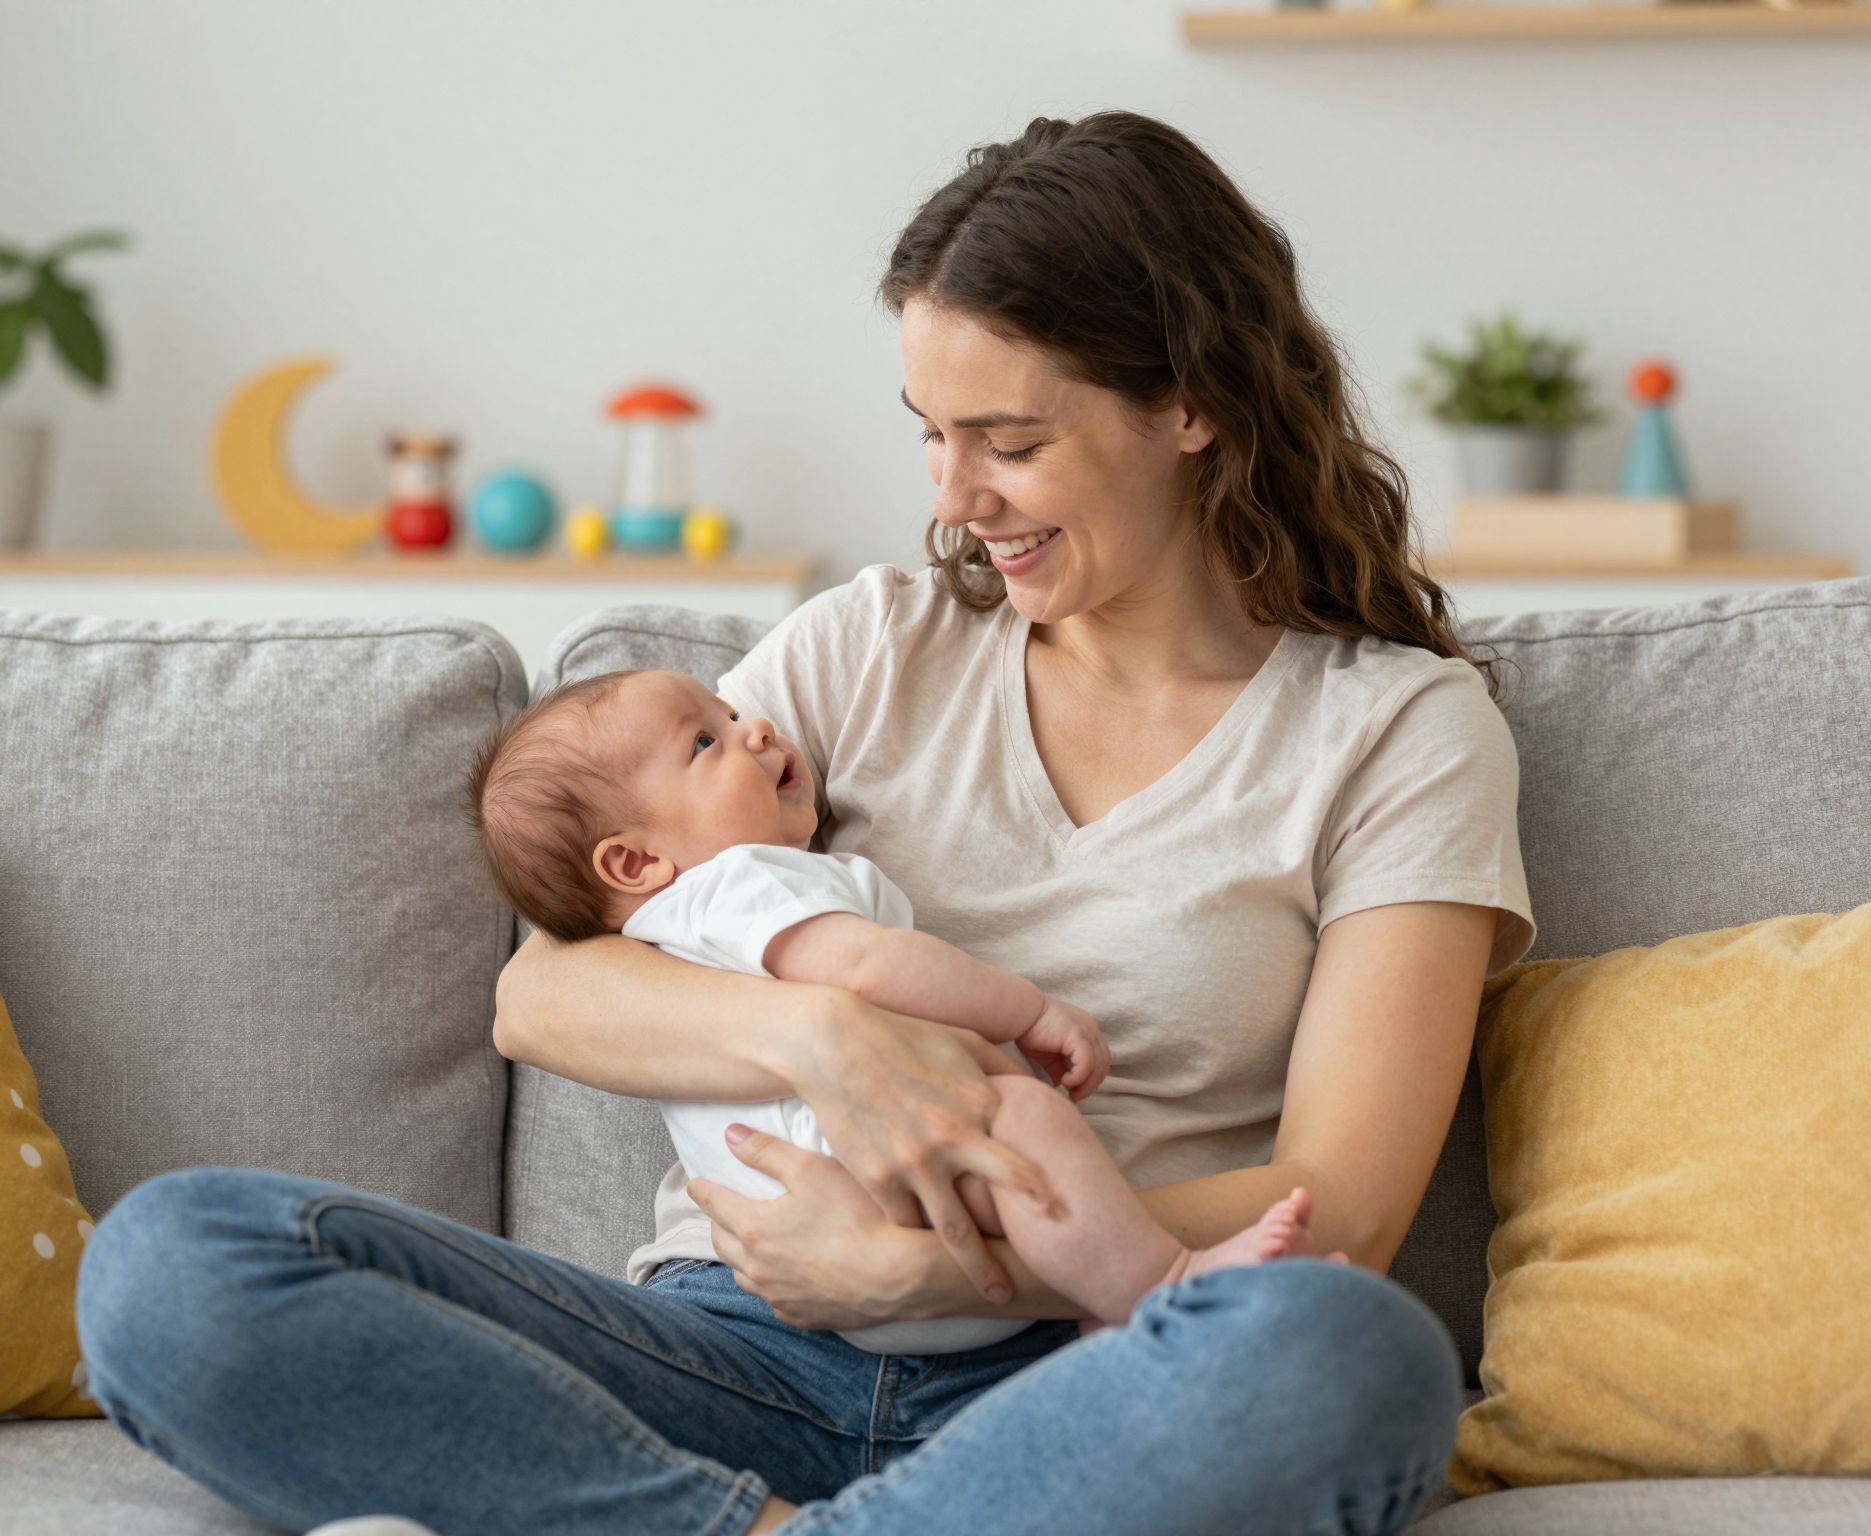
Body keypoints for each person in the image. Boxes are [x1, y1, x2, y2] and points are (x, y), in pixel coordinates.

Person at [75, 109, 1537, 1536]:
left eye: (1007, 441)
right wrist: (821, 1036)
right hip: (723, 1355)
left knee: (1347, 1356)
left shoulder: (1395, 733)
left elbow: (1339, 1208)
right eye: (931, 435)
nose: (956, 501)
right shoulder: (867, 648)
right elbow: (548, 987)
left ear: (1190, 404)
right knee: (174, 1266)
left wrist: (945, 1273)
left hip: (1077, 1379)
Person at [462, 663, 1346, 1355]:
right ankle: (1161, 1282)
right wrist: (1027, 1009)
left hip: (876, 1257)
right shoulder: (737, 887)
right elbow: (868, 964)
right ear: (632, 865)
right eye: (707, 742)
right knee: (1032, 1121)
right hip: (860, 1205)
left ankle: (1111, 1300)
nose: (754, 724)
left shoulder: (685, 920)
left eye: (730, 716)